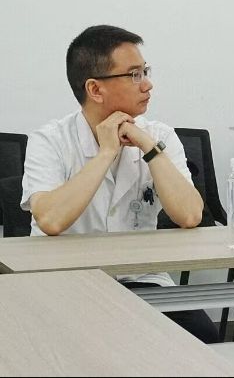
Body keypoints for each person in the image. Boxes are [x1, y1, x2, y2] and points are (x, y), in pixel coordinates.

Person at [21, 25, 219, 343]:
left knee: (202, 336)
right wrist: (106, 153)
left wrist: (148, 147)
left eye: (145, 72)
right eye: (134, 75)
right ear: (95, 89)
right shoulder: (50, 140)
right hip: (66, 281)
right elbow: (50, 220)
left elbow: (190, 215)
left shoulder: (159, 136)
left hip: (142, 280)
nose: (148, 84)